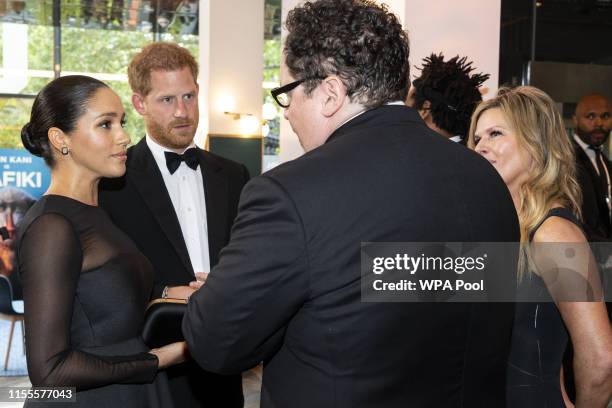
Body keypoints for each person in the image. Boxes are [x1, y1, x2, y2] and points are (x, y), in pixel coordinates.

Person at [183, 1, 519, 407]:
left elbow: (217, 345)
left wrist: (220, 294)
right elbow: (420, 296)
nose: (286, 115)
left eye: (286, 94)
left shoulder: (291, 193)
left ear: (329, 93)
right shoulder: (486, 180)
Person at [14, 75, 187, 407]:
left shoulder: (96, 213)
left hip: (128, 390)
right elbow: (49, 372)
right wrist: (163, 358)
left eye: (121, 122)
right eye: (105, 125)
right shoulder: (52, 224)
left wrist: (169, 295)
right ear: (60, 139)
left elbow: (98, 299)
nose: (124, 136)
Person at [98, 42, 247, 408]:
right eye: (167, 100)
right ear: (139, 103)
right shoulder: (112, 181)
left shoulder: (234, 175)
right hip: (150, 366)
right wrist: (168, 292)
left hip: (222, 363)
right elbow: (106, 277)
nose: (183, 112)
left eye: (189, 96)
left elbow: (248, 255)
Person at [469, 86, 612, 407]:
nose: (481, 146)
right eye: (477, 138)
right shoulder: (502, 227)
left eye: (495, 134)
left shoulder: (555, 233)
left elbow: (601, 360)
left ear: (535, 142)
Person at [407, 53, 489, 145]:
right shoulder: (475, 154)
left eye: (404, 104)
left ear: (424, 109)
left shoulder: (417, 155)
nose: (401, 111)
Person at [572, 93, 612, 242]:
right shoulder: (564, 160)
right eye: (590, 116)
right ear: (575, 121)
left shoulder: (606, 163)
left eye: (606, 116)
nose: (599, 123)